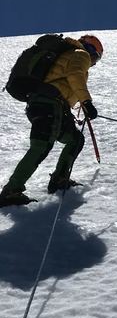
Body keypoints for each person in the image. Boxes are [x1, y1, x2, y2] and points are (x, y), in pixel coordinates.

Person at [0, 35, 103, 207]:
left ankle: (59, 179)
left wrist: (79, 107)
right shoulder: (80, 54)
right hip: (49, 104)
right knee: (41, 145)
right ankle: (11, 191)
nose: (93, 62)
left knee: (75, 139)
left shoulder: (68, 54)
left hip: (47, 104)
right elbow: (75, 75)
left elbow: (66, 82)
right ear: (92, 51)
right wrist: (87, 102)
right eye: (96, 58)